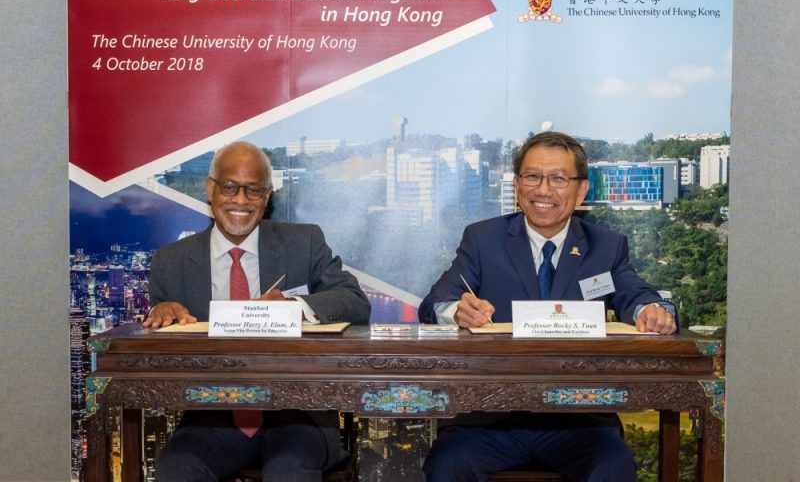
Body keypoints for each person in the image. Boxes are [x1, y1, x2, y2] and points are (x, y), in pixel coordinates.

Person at [418, 131, 676, 482]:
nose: (543, 190)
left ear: (581, 190)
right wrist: (456, 311)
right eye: (532, 176)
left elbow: (636, 295)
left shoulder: (605, 247)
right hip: (489, 418)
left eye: (558, 179)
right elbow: (433, 304)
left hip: (579, 420)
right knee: (447, 464)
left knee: (613, 465)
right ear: (517, 184)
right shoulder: (483, 239)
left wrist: (652, 311)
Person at [143, 141, 371, 482]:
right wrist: (162, 310)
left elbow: (355, 301)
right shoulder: (170, 262)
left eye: (253, 190)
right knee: (176, 470)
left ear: (267, 196)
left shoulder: (304, 243)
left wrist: (294, 308)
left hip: (297, 416)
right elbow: (157, 346)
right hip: (212, 418)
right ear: (210, 189)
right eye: (230, 187)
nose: (240, 200)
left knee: (289, 472)